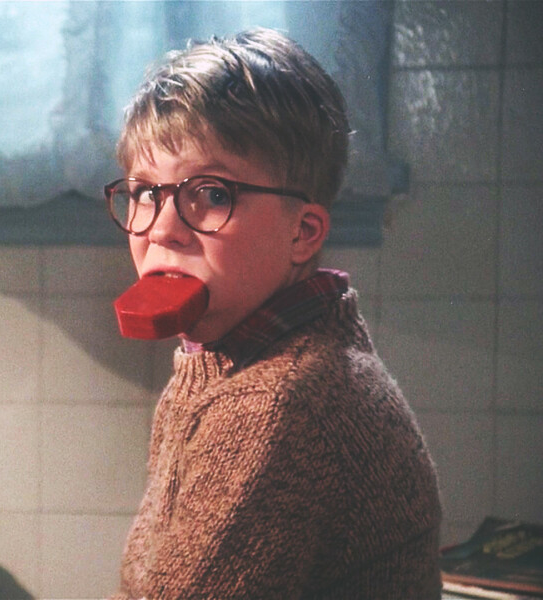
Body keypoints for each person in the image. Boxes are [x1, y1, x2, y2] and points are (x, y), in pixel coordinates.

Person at [104, 28, 442, 599]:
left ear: (302, 232)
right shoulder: (236, 356)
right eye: (144, 193)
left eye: (212, 194)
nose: (161, 229)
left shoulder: (276, 402)